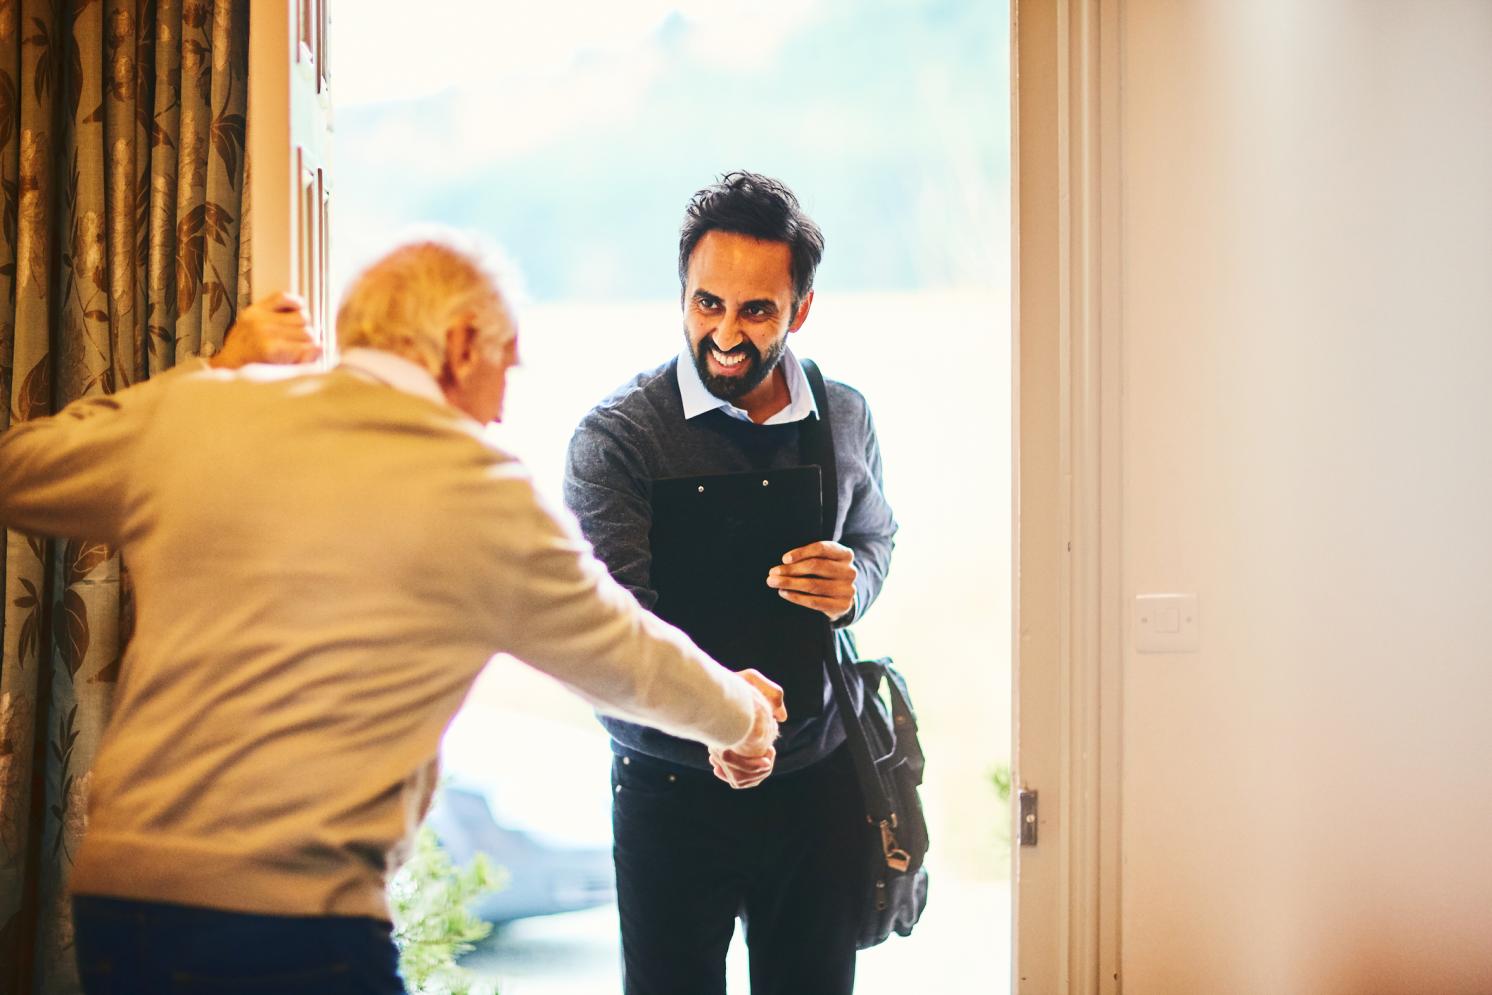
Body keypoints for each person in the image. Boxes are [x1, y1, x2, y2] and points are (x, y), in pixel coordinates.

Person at [0, 234, 786, 995]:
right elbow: (629, 658)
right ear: (462, 342)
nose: (503, 409)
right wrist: (745, 714)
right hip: (294, 921)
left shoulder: (203, 411)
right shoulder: (479, 490)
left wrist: (217, 373)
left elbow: (20, 469)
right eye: (505, 368)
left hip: (121, 904)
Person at [565, 172, 898, 995]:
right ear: (682, 292)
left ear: (801, 309)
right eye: (707, 303)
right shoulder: (617, 440)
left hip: (817, 786)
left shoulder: (845, 414)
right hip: (671, 789)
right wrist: (718, 721)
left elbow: (877, 536)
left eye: (756, 311)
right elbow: (606, 639)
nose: (725, 332)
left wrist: (853, 582)